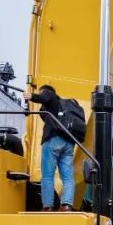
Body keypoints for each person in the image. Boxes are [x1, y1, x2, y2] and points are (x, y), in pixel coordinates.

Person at [31, 84, 78, 212]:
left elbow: (44, 97)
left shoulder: (49, 94)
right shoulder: (62, 107)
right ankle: (66, 204)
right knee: (67, 177)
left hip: (53, 140)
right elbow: (44, 116)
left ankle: (47, 205)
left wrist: (31, 96)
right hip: (68, 142)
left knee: (47, 175)